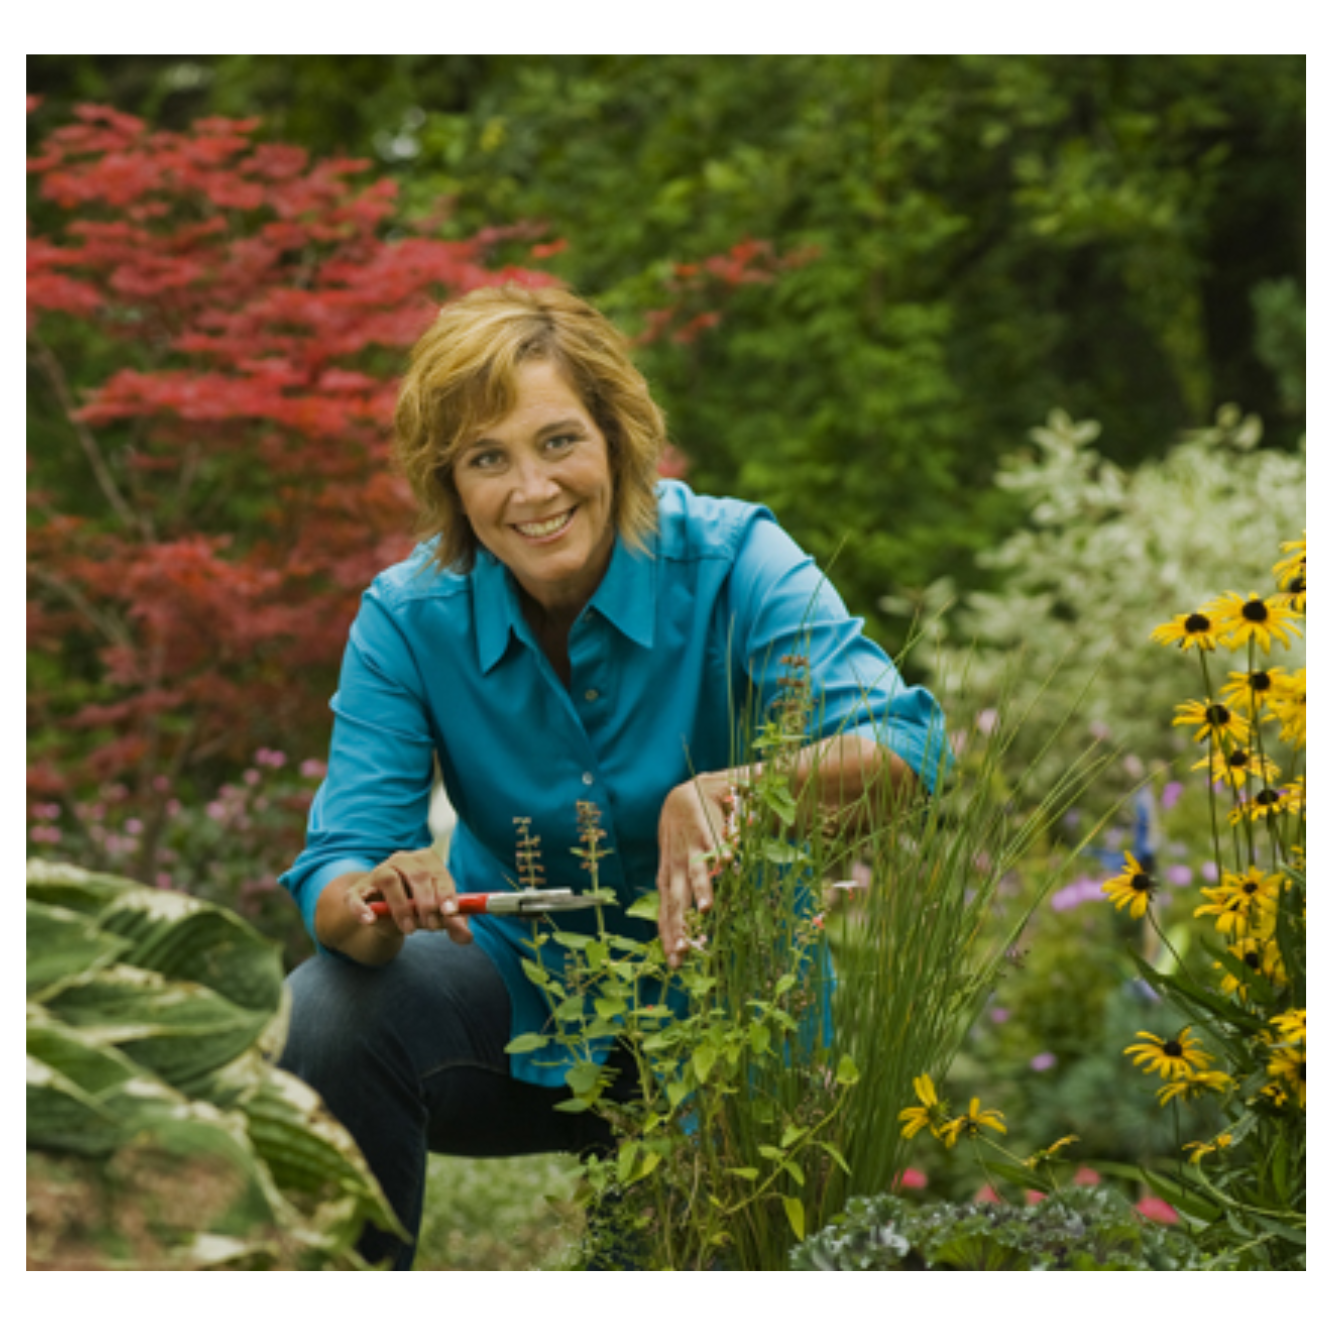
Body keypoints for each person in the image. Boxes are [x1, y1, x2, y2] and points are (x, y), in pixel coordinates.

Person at [277, 284, 948, 1269]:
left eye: (558, 441)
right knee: (328, 1012)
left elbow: (908, 746)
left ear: (617, 437)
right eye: (486, 458)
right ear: (450, 484)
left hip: (734, 1020)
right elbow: (338, 867)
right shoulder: (406, 615)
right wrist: (376, 896)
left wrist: (729, 792)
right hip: (513, 998)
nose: (532, 489)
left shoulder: (735, 556)